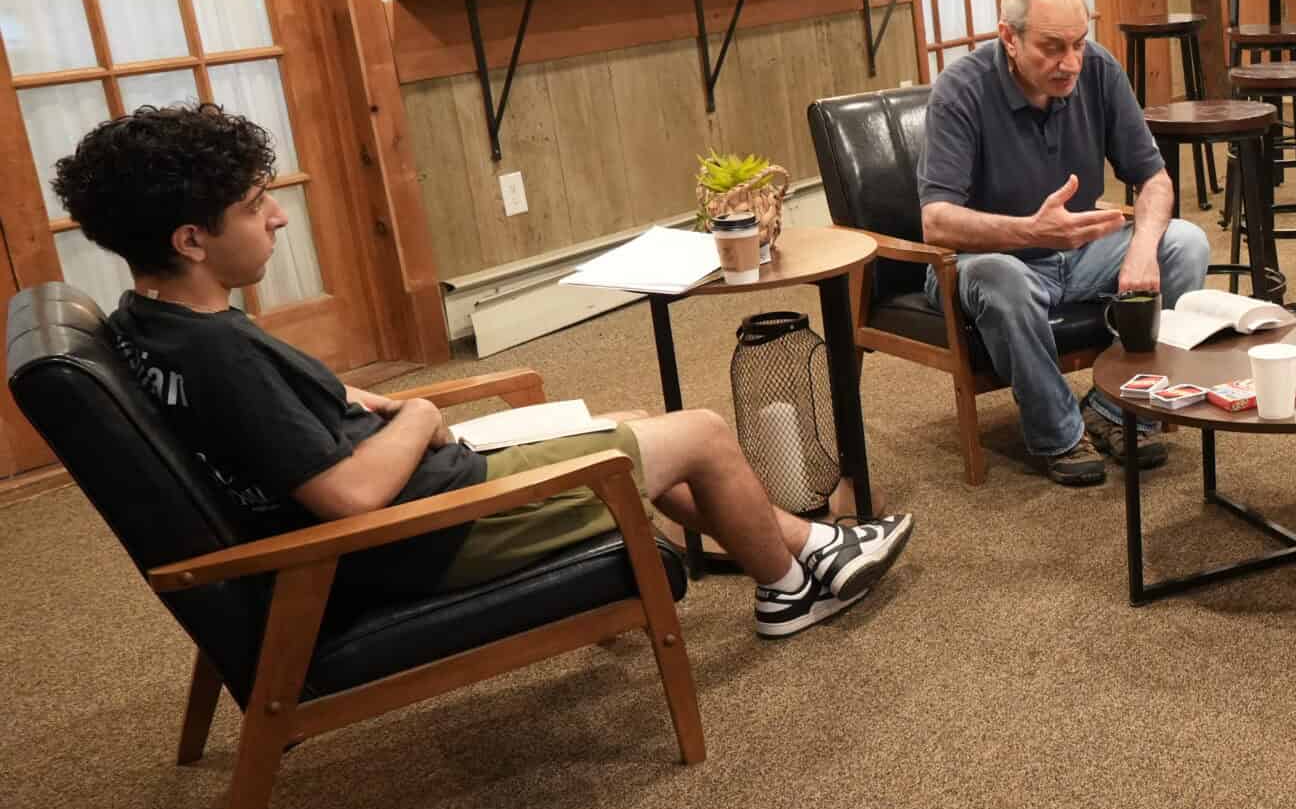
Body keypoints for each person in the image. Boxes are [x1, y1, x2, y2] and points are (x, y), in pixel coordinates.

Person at [53, 104, 912, 639]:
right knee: (703, 435)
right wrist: (421, 415)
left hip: (416, 506)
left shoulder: (153, 326)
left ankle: (810, 547)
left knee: (642, 423)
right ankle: (791, 590)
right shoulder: (220, 354)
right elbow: (348, 499)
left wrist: (340, 397)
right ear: (190, 240)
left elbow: (275, 423)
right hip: (427, 533)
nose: (277, 216)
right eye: (253, 206)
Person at [918, 0, 1210, 487]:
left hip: (1076, 250)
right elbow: (936, 221)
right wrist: (1031, 231)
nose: (1070, 62)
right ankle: (1059, 433)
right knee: (1003, 280)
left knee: (1186, 244)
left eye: (1078, 43)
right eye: (1052, 47)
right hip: (987, 261)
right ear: (1009, 38)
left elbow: (1154, 179)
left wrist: (1143, 247)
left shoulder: (1098, 69)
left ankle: (1117, 407)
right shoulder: (960, 90)